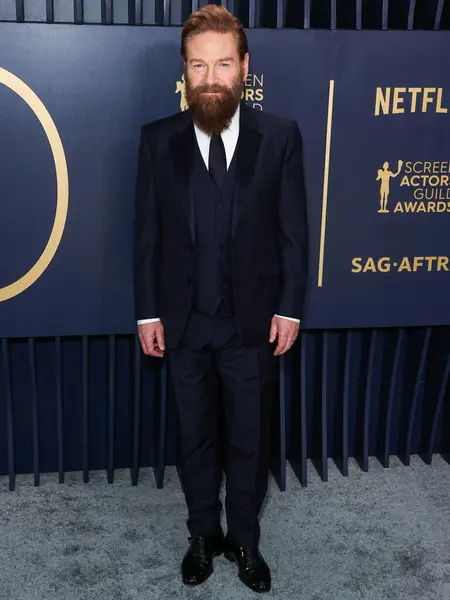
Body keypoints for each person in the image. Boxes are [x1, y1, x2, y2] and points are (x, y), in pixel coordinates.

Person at [133, 4, 308, 593]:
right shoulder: (157, 141)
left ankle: (246, 542)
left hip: (252, 325)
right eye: (199, 65)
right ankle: (203, 536)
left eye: (223, 64)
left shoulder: (280, 137)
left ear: (244, 68)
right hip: (182, 324)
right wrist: (148, 311)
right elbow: (147, 236)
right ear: (184, 70)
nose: (211, 78)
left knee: (249, 437)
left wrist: (289, 307)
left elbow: (293, 233)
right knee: (194, 437)